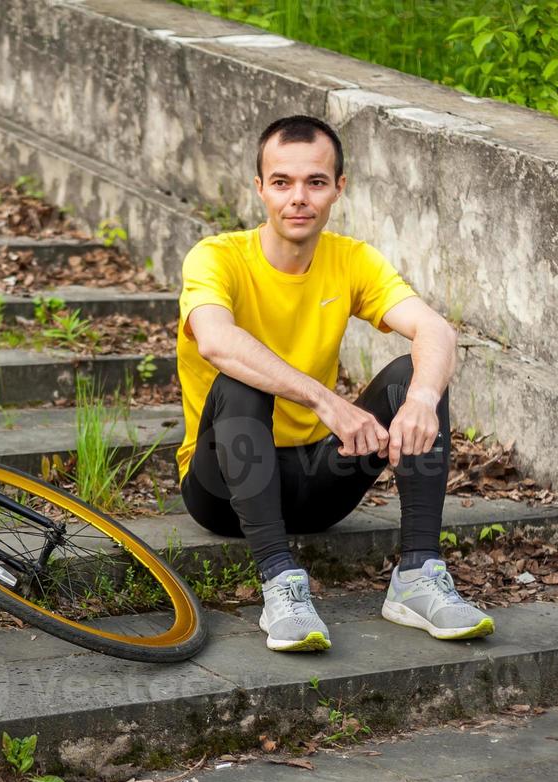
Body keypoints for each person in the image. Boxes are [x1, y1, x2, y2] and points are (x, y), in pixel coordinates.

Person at [177, 114, 494, 652]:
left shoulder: (351, 260)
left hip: (316, 482)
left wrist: (420, 399)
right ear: (260, 189)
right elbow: (215, 341)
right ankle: (279, 583)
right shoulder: (218, 256)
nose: (298, 198)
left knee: (413, 374)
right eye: (282, 182)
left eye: (315, 182)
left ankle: (417, 575)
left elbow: (435, 329)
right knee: (244, 379)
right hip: (222, 490)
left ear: (337, 189)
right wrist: (327, 401)